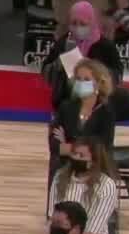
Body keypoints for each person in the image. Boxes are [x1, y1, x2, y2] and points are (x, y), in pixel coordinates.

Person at [41, 0, 123, 109]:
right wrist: (59, 64)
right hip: (66, 105)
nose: (78, 27)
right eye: (74, 23)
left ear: (92, 23)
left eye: (83, 24)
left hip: (98, 106)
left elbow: (118, 76)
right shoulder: (64, 42)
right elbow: (45, 71)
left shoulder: (105, 46)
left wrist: (94, 72)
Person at [48, 58, 115, 187]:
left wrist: (69, 146)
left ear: (99, 83)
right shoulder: (65, 107)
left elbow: (102, 147)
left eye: (86, 79)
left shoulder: (106, 113)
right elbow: (54, 145)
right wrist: (82, 150)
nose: (81, 83)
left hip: (95, 170)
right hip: (65, 168)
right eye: (78, 79)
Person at [49, 140, 118, 234]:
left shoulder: (106, 185)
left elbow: (91, 233)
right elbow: (53, 218)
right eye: (74, 153)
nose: (76, 158)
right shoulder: (59, 177)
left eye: (81, 155)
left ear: (94, 161)